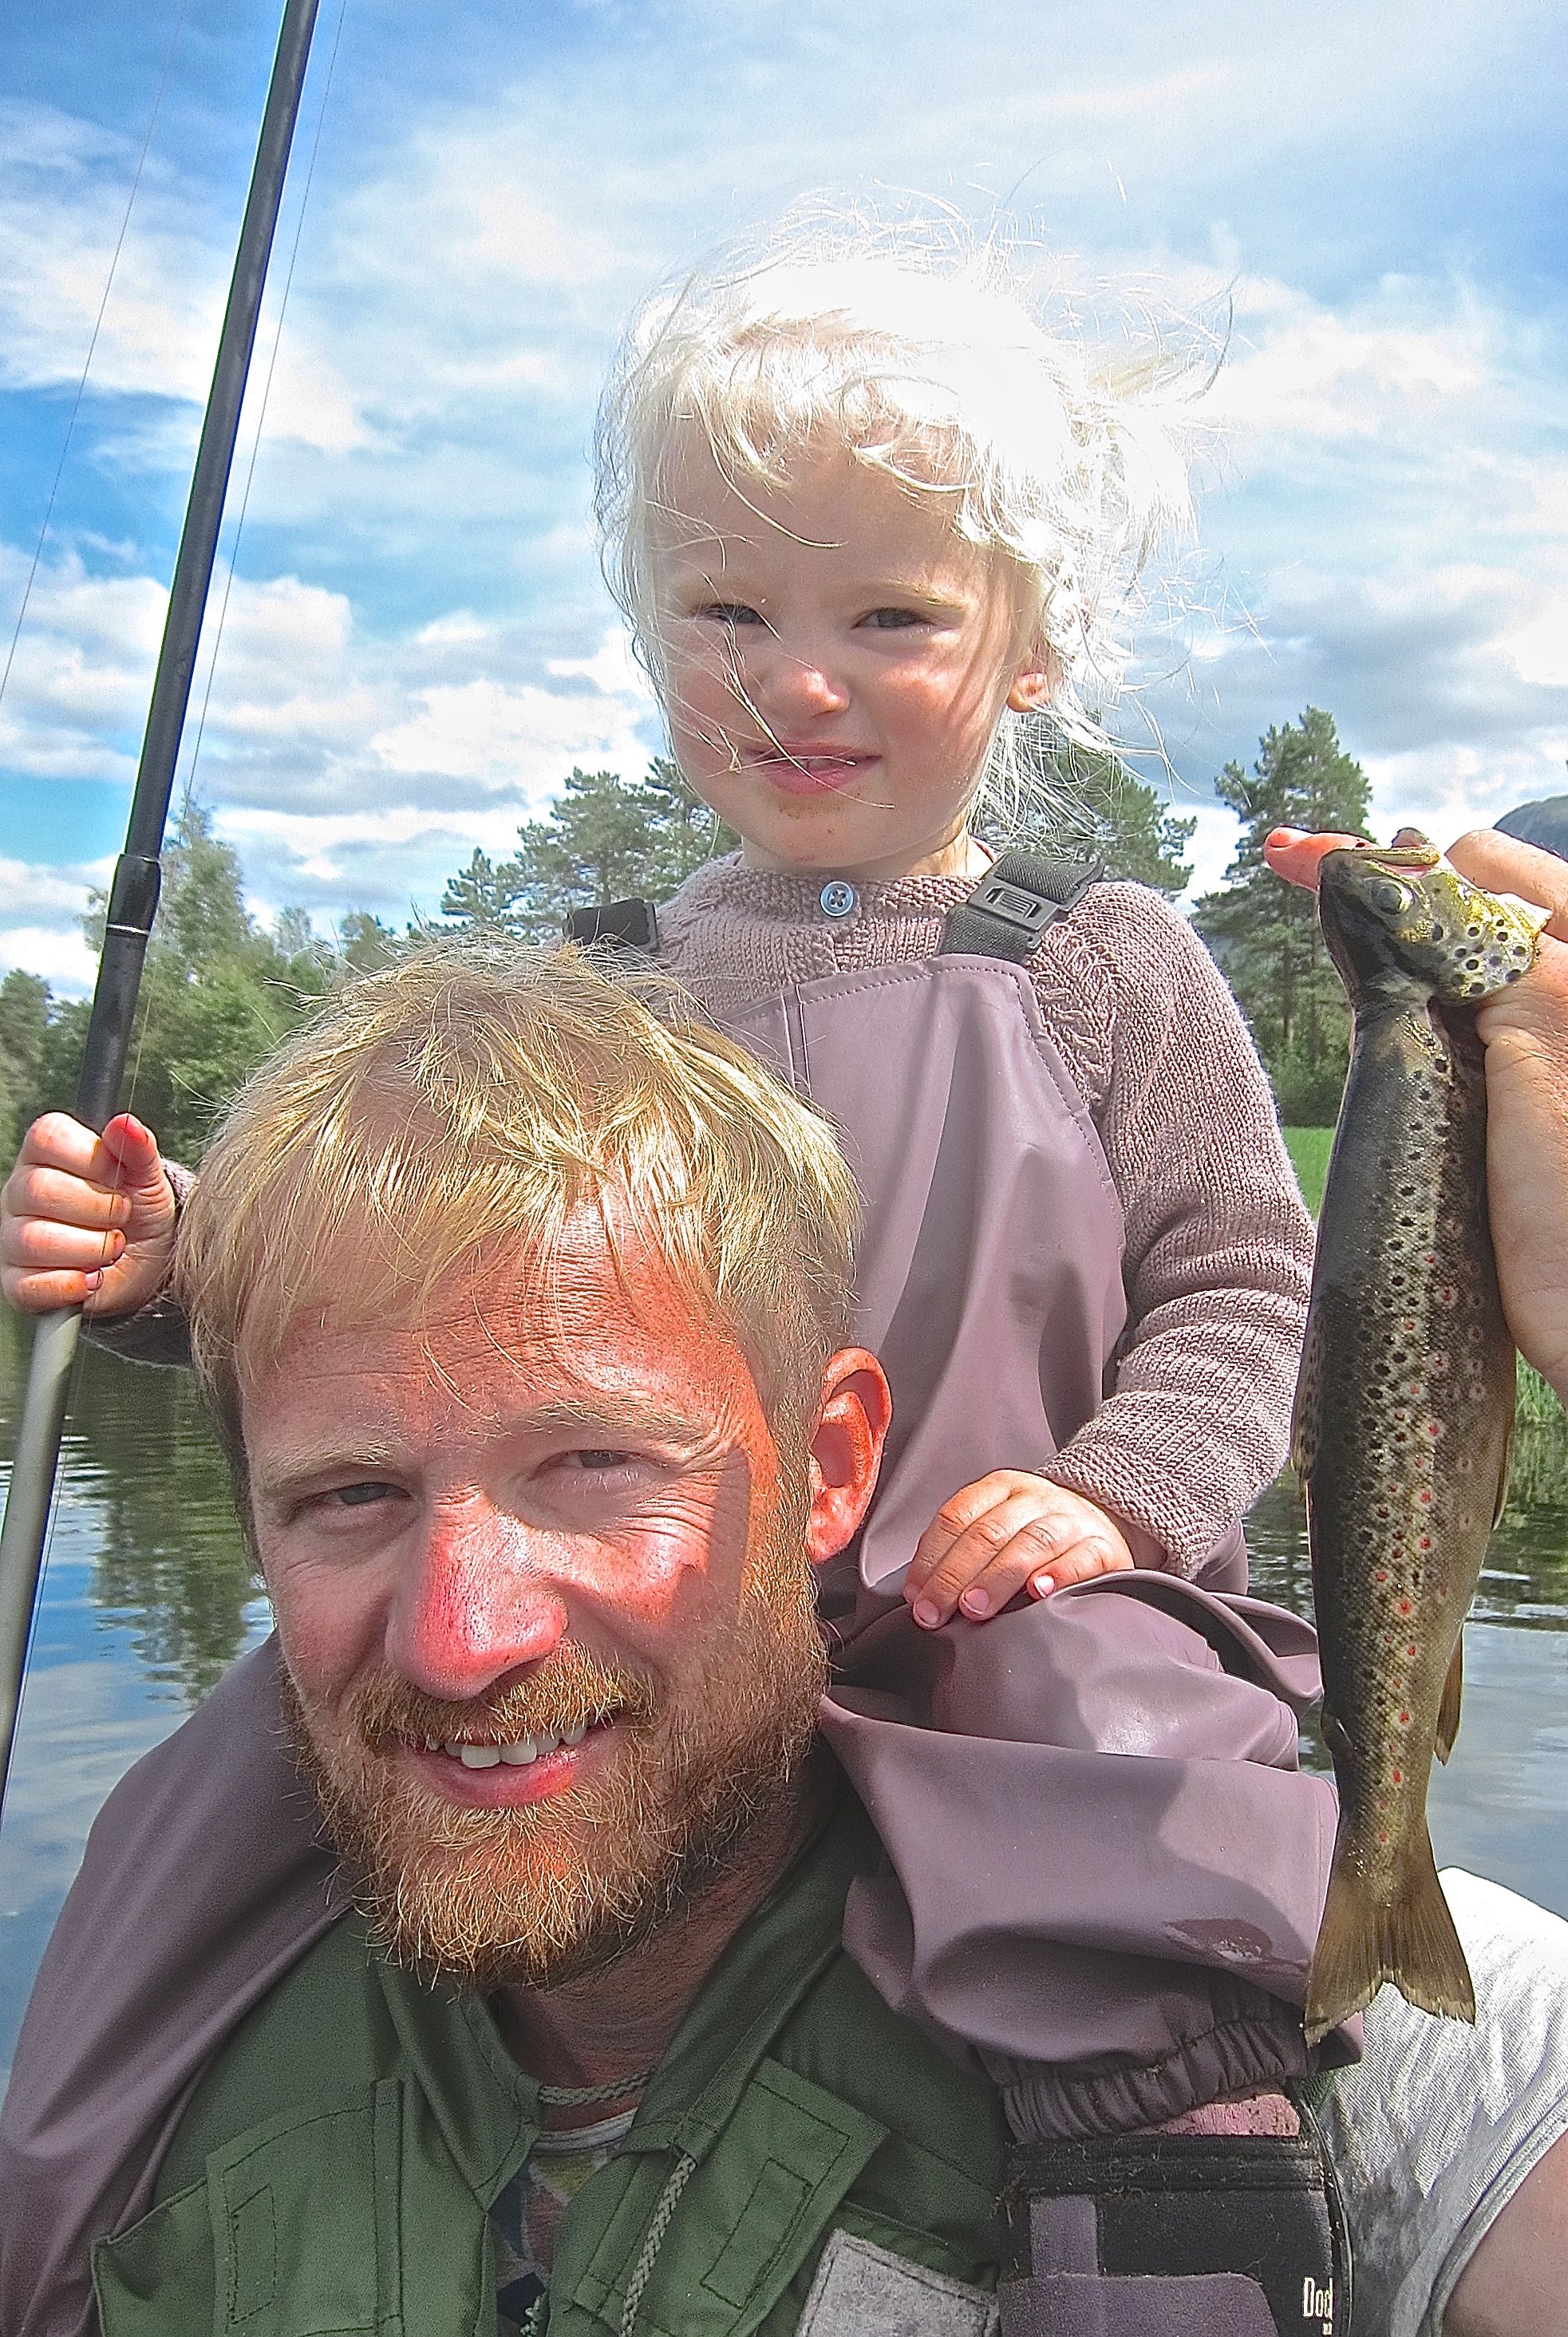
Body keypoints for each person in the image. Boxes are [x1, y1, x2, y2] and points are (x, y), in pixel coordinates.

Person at [0, 223, 1334, 2159]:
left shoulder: (1100, 957)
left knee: (1128, 1775)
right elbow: (407, 1300)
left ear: (1027, 647)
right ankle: (64, 2216)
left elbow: (1244, 1283)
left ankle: (1173, 2212)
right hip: (635, 1621)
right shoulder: (594, 985)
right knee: (195, 1807)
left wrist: (1112, 1493)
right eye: (726, 617)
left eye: (887, 618)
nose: (798, 681)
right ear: (650, 642)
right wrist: (174, 1264)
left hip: (1003, 1603)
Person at [6, 936, 1568, 2337]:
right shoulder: (153, 2082)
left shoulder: (1285, 1985)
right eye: (350, 1493)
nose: (459, 1638)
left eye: (596, 1464)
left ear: (826, 1471)